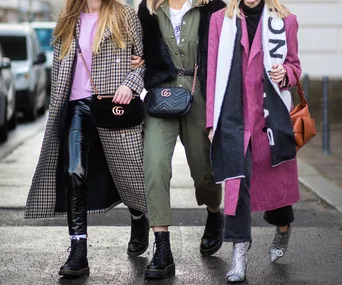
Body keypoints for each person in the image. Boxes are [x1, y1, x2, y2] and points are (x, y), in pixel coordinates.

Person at [25, 0, 148, 278]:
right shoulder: (69, 17)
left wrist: (130, 85)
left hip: (111, 105)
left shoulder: (123, 13)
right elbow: (59, 69)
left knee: (128, 172)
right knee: (73, 173)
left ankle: (139, 215)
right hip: (76, 107)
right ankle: (78, 250)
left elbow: (143, 61)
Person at [206, 0, 301, 282]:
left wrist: (286, 73)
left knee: (276, 189)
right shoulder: (220, 20)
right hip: (234, 115)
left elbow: (294, 66)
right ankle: (238, 253)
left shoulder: (285, 20)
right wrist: (212, 123)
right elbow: (212, 72)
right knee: (237, 183)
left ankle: (283, 227)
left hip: (269, 116)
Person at [136, 0, 225, 279]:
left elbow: (223, 53)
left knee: (203, 171)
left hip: (198, 94)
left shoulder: (212, 7)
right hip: (161, 94)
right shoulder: (148, 8)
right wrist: (137, 57)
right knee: (155, 166)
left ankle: (214, 212)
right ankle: (162, 247)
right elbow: (137, 45)